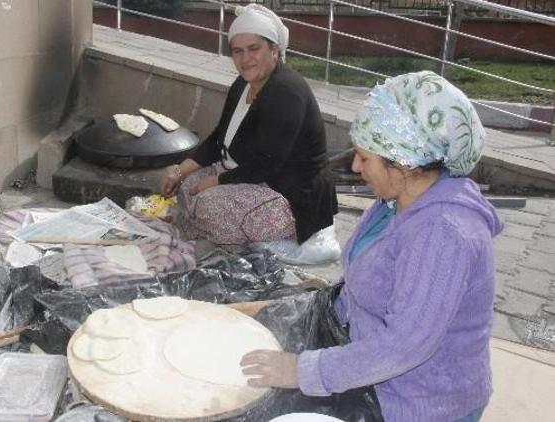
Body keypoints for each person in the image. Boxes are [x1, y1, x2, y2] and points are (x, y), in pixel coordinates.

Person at [240, 71, 503, 422]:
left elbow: (402, 347)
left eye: (365, 157)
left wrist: (301, 370)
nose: (355, 166)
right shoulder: (397, 200)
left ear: (405, 162)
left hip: (416, 399)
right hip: (368, 357)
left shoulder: (443, 234)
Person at [159, 4, 338, 256]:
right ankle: (211, 231)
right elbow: (219, 138)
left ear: (275, 50)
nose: (245, 59)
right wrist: (179, 171)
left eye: (254, 49)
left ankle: (249, 246)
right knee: (188, 186)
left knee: (209, 204)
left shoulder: (286, 92)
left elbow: (269, 163)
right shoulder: (243, 83)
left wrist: (217, 181)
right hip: (252, 176)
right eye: (238, 51)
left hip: (290, 195)